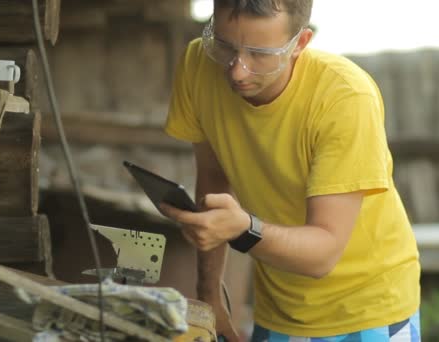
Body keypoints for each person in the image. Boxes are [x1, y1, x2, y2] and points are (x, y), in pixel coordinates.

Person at [160, 0, 421, 341]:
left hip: (368, 310)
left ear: (300, 44)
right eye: (224, 46)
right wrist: (209, 296)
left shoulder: (345, 97)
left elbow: (323, 254)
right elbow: (213, 182)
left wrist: (242, 230)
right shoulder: (199, 63)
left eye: (259, 53)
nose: (237, 70)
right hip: (279, 308)